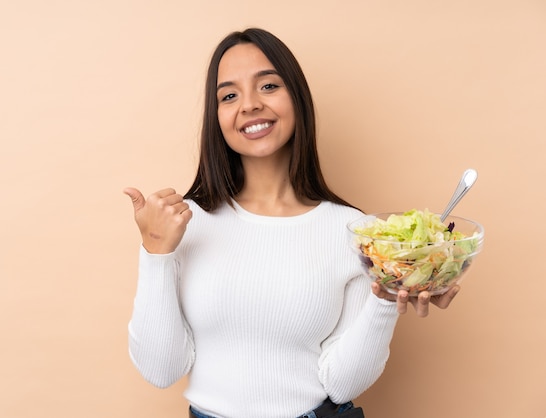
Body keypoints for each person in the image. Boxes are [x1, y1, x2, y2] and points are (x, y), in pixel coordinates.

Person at [124, 28, 460, 418]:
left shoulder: (354, 232)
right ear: (216, 118)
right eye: (229, 95)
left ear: (297, 99)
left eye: (268, 86)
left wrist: (384, 298)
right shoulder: (183, 224)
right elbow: (161, 371)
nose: (249, 105)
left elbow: (342, 383)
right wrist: (155, 252)